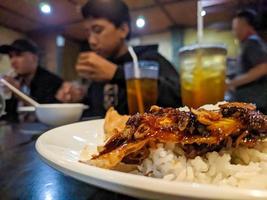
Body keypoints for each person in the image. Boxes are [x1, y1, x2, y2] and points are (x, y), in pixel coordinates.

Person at [57, 0, 182, 117]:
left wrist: (117, 73)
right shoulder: (99, 67)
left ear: (123, 30)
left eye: (97, 30)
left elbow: (178, 96)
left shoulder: (149, 58)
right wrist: (78, 98)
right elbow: (97, 109)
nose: (91, 41)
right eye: (88, 33)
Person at [0, 39, 64, 122]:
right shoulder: (15, 80)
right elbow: (7, 114)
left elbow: (50, 114)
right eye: (10, 56)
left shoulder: (52, 81)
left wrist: (17, 92)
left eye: (18, 55)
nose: (13, 61)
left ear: (34, 58)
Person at [228, 9, 267, 113]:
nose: (234, 32)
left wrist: (232, 83)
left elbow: (263, 67)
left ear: (246, 26)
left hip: (257, 104)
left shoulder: (252, 42)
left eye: (236, 28)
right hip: (254, 104)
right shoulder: (251, 43)